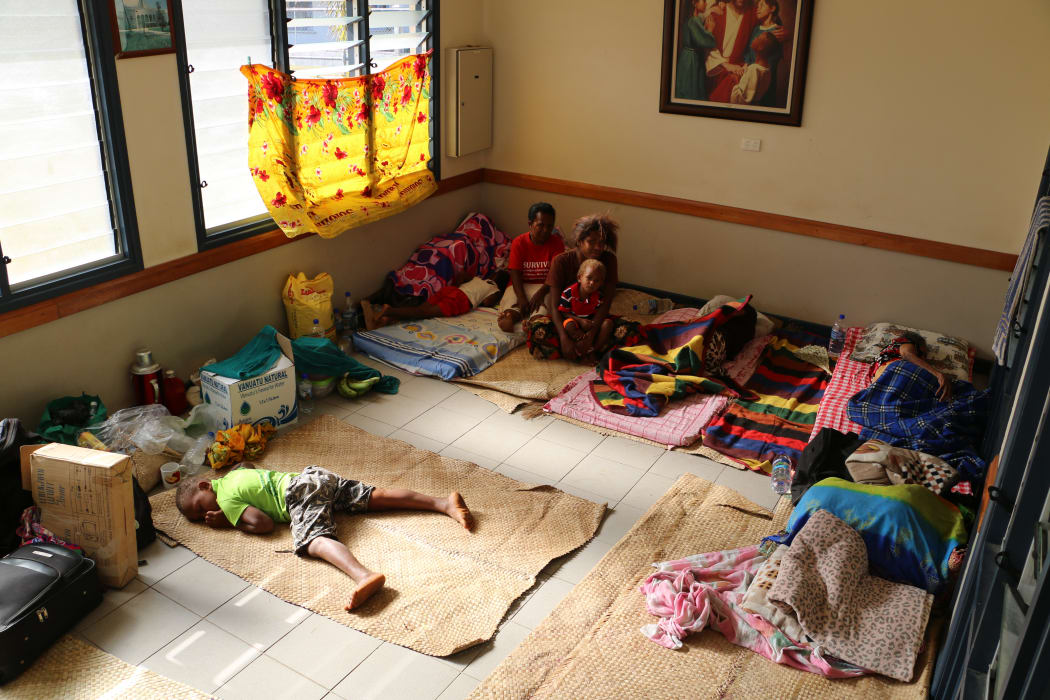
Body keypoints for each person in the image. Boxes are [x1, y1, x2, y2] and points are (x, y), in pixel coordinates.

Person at [176, 463, 475, 611]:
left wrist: (230, 522)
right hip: (313, 476)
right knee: (373, 497)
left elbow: (264, 524)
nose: (206, 514)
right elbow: (252, 470)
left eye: (202, 507)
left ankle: (363, 575)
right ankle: (442, 503)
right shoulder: (233, 475)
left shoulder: (226, 501)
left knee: (313, 540)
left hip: (299, 494)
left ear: (206, 486)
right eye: (198, 518)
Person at [544, 214, 620, 361]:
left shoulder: (609, 260)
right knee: (538, 331)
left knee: (628, 331)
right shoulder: (561, 261)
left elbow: (606, 303)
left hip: (594, 319)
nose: (598, 247)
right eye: (591, 242)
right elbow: (554, 306)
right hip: (566, 318)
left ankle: (590, 349)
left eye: (602, 242)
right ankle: (578, 349)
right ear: (579, 241)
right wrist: (564, 338)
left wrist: (590, 337)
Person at [497, 202, 565, 332]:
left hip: (544, 286)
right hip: (519, 285)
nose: (545, 230)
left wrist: (541, 292)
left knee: (542, 309)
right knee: (512, 307)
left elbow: (554, 274)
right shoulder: (519, 242)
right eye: (540, 225)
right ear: (530, 224)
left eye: (549, 226)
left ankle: (534, 323)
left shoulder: (557, 243)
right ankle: (510, 318)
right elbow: (515, 273)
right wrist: (522, 298)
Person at [363, 269, 503, 329]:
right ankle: (389, 311)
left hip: (453, 290)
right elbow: (487, 303)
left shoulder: (478, 279)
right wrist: (496, 297)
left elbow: (461, 275)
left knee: (421, 309)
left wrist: (458, 285)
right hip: (461, 299)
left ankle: (389, 318)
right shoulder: (495, 290)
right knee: (423, 313)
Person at [557, 259, 614, 363]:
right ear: (579, 278)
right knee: (569, 325)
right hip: (575, 323)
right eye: (589, 278)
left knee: (608, 324)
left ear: (601, 283)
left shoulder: (599, 297)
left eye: (597, 281)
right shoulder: (568, 293)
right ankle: (581, 350)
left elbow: (599, 316)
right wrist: (580, 321)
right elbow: (564, 313)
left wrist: (590, 327)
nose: (592, 283)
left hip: (591, 325)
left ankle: (592, 350)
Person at [674, 0, 718, 101]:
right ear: (695, 3)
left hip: (688, 58)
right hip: (691, 61)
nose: (706, 3)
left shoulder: (692, 19)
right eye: (703, 1)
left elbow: (701, 18)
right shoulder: (694, 21)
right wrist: (710, 30)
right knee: (691, 90)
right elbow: (704, 42)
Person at [729, 30, 779, 104]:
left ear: (761, 47)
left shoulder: (754, 69)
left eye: (758, 37)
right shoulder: (767, 70)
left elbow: (741, 99)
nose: (754, 38)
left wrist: (736, 80)